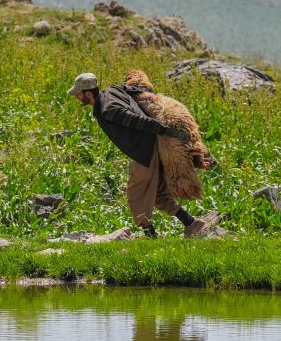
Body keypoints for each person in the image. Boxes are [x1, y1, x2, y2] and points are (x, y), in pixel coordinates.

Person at [68, 71, 207, 237]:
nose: (77, 97)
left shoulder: (108, 109)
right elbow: (135, 89)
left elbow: (135, 120)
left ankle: (150, 236)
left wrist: (165, 130)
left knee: (135, 195)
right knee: (157, 194)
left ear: (88, 93)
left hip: (146, 152)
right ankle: (191, 223)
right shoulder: (112, 91)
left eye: (78, 94)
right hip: (154, 147)